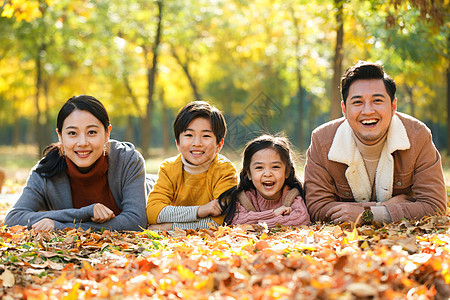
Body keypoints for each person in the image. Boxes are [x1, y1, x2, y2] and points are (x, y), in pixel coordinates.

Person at [304, 61, 447, 225]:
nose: (368, 111)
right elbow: (316, 207)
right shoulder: (322, 140)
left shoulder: (417, 135)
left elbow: (435, 206)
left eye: (377, 101)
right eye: (357, 102)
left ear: (394, 106)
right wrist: (386, 207)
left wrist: (369, 214)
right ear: (344, 109)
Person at [4, 95, 150, 231]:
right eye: (72, 133)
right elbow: (14, 218)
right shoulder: (45, 171)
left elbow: (136, 220)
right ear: (60, 136)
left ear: (107, 133)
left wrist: (61, 226)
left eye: (92, 132)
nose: (82, 143)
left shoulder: (128, 160)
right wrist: (85, 212)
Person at [146, 101, 238, 230]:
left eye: (206, 136)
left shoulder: (225, 171)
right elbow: (152, 211)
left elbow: (219, 222)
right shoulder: (168, 168)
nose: (197, 143)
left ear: (219, 144)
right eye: (189, 135)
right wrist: (199, 211)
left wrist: (168, 227)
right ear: (177, 142)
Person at [219, 134, 310, 227]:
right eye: (259, 167)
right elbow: (237, 221)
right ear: (249, 174)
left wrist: (257, 225)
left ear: (287, 172)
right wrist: (273, 214)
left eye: (275, 167)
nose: (267, 174)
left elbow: (301, 219)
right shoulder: (245, 198)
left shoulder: (291, 195)